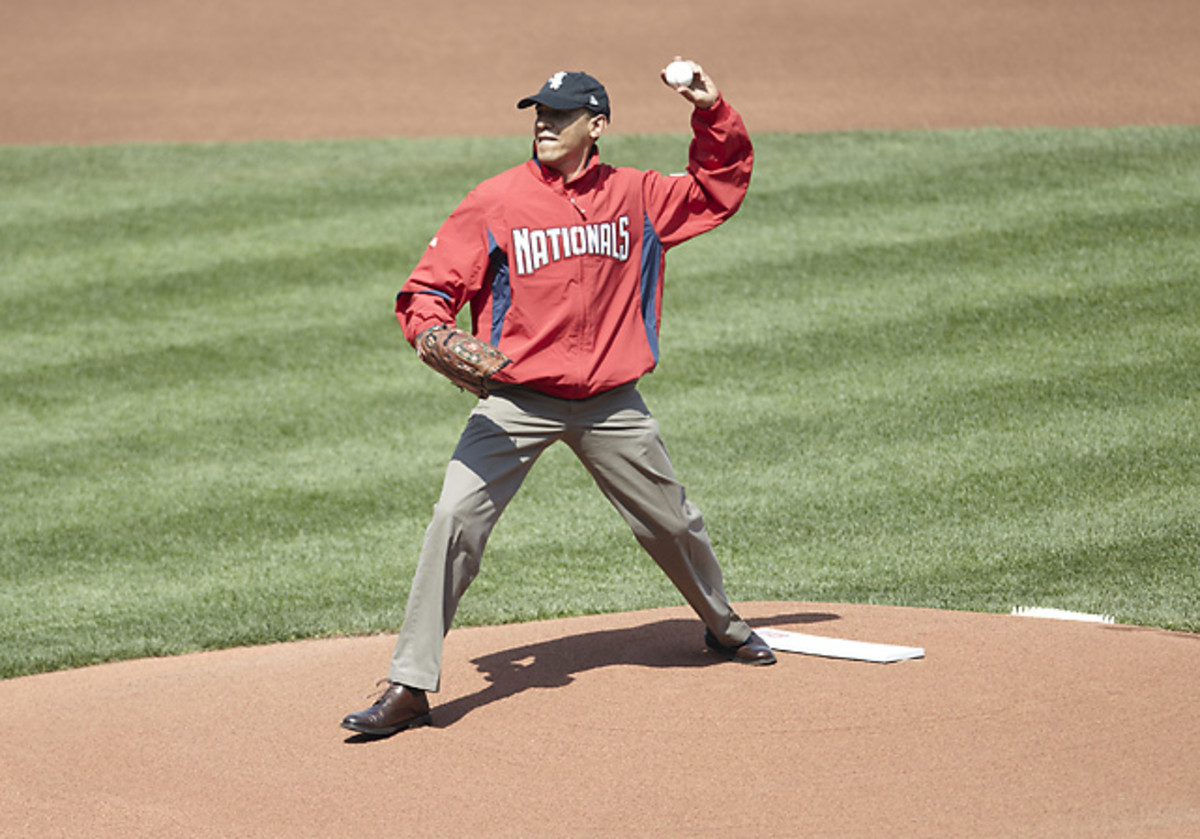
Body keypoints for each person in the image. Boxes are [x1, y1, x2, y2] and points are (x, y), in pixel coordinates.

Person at [342, 59, 774, 737]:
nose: (544, 124)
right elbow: (425, 291)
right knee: (454, 518)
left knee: (672, 523)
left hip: (611, 402)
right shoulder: (496, 200)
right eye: (539, 113)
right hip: (517, 403)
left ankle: (723, 626)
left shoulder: (638, 195)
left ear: (595, 125)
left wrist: (710, 109)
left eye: (560, 114)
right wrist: (431, 332)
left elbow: (719, 189)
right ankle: (410, 684)